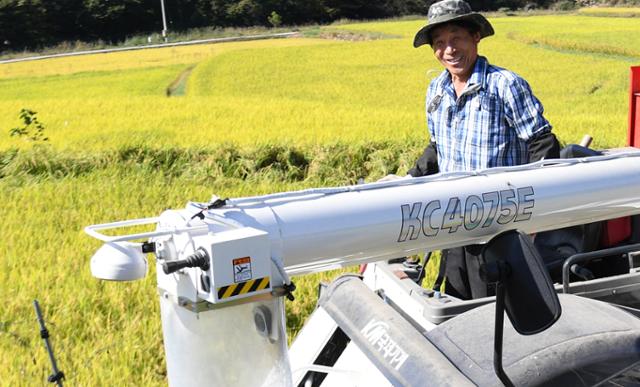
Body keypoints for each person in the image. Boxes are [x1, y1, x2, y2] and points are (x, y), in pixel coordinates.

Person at [409, 0, 560, 299]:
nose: (449, 49)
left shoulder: (505, 85)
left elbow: (542, 144)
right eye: (439, 43)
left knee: (494, 311)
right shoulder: (436, 90)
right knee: (455, 304)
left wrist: (535, 215)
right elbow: (438, 147)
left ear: (475, 36)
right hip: (452, 220)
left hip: (498, 227)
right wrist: (406, 179)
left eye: (456, 38)